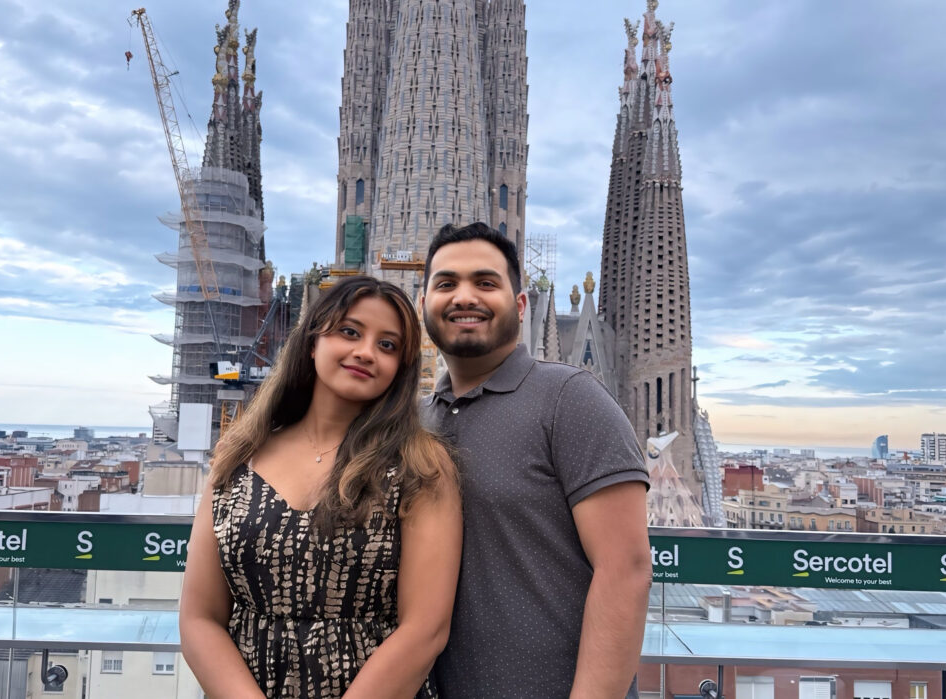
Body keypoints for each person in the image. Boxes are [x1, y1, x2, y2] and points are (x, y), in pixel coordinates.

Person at [180, 275, 462, 699]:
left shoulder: (419, 465)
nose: (366, 352)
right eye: (350, 331)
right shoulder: (239, 455)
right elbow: (199, 617)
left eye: (387, 345)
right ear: (312, 341)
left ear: (400, 371)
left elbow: (425, 630)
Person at [420, 222, 652, 698]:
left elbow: (626, 571)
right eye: (446, 284)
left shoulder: (571, 399)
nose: (464, 297)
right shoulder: (420, 419)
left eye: (485, 282)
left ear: (521, 305)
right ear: (424, 304)